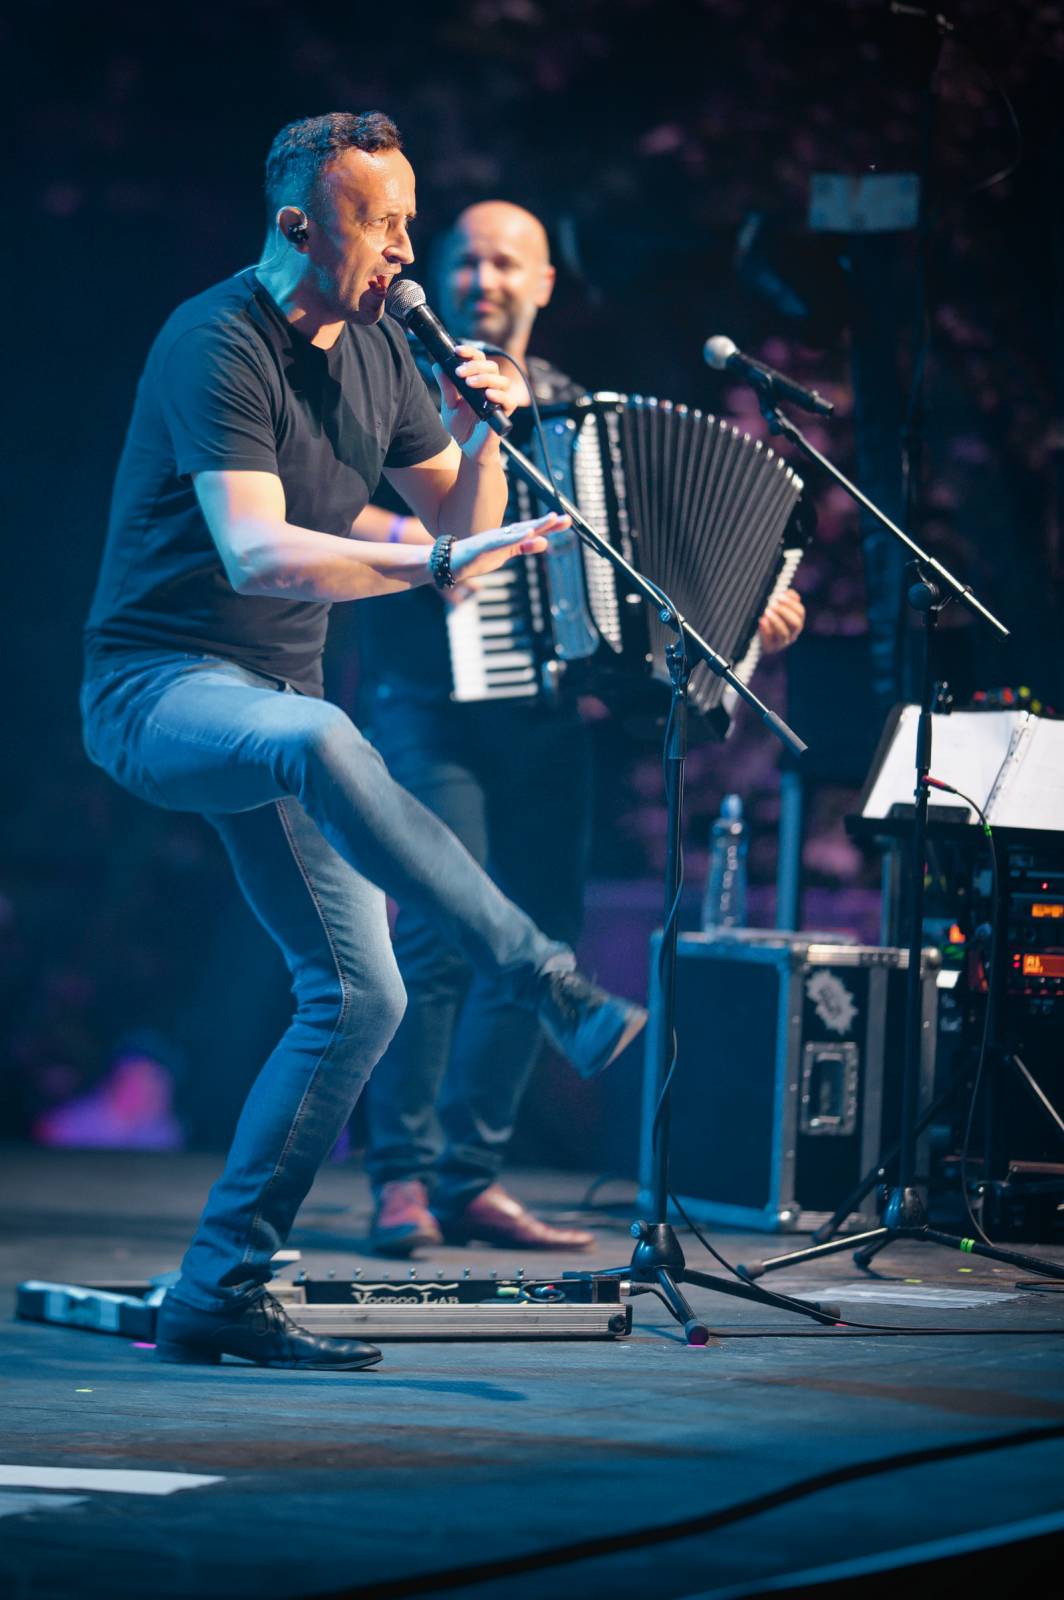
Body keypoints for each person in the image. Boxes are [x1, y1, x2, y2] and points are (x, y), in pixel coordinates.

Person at [80, 115, 646, 1373]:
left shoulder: (388, 350)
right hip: (157, 689)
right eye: (377, 225)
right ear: (298, 227)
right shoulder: (214, 339)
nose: (402, 250)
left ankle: (219, 1284)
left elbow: (456, 514)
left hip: (281, 713)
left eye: (405, 220)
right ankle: (542, 974)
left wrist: (483, 423)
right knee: (323, 730)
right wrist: (432, 555)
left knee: (363, 994)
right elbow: (260, 549)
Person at [350, 202, 806, 1257]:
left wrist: (745, 614)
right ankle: (402, 1179)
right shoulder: (388, 387)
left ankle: (468, 1176)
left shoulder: (568, 412)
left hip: (547, 712)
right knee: (440, 940)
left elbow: (633, 586)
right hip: (427, 701)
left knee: (541, 934)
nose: (482, 278)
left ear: (544, 283)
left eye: (507, 262)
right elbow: (361, 522)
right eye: (465, 259)